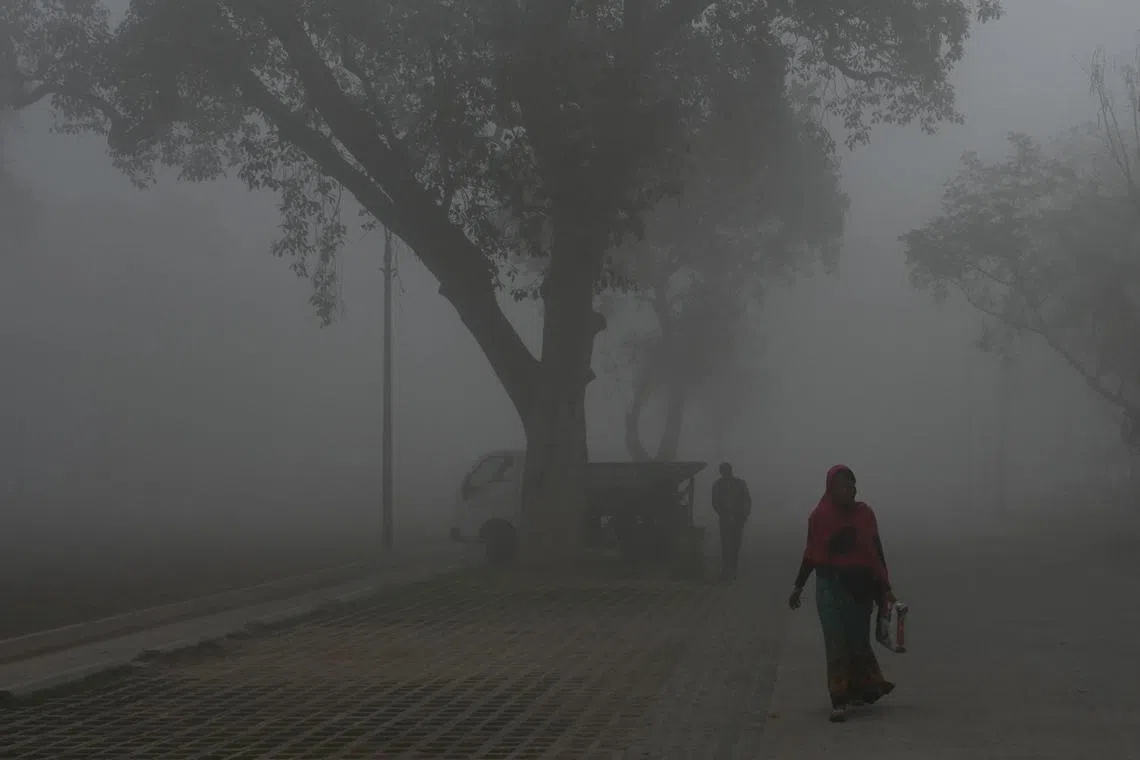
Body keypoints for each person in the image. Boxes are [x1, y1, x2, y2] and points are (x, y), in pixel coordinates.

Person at [788, 465, 896, 723]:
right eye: (842, 486)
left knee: (857, 641)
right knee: (836, 640)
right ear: (831, 489)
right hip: (829, 586)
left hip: (860, 588)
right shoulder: (819, 517)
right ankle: (838, 698)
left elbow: (876, 551)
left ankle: (861, 688)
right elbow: (811, 553)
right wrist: (798, 586)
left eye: (852, 484)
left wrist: (885, 587)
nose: (849, 490)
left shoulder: (865, 514)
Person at [711, 462, 751, 581]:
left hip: (736, 519)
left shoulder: (737, 484)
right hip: (728, 519)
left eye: (726, 470)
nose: (725, 472)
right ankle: (728, 570)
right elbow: (715, 502)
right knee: (728, 545)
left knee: (733, 545)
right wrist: (724, 514)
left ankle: (731, 570)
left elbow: (746, 500)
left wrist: (743, 515)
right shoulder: (720, 485)